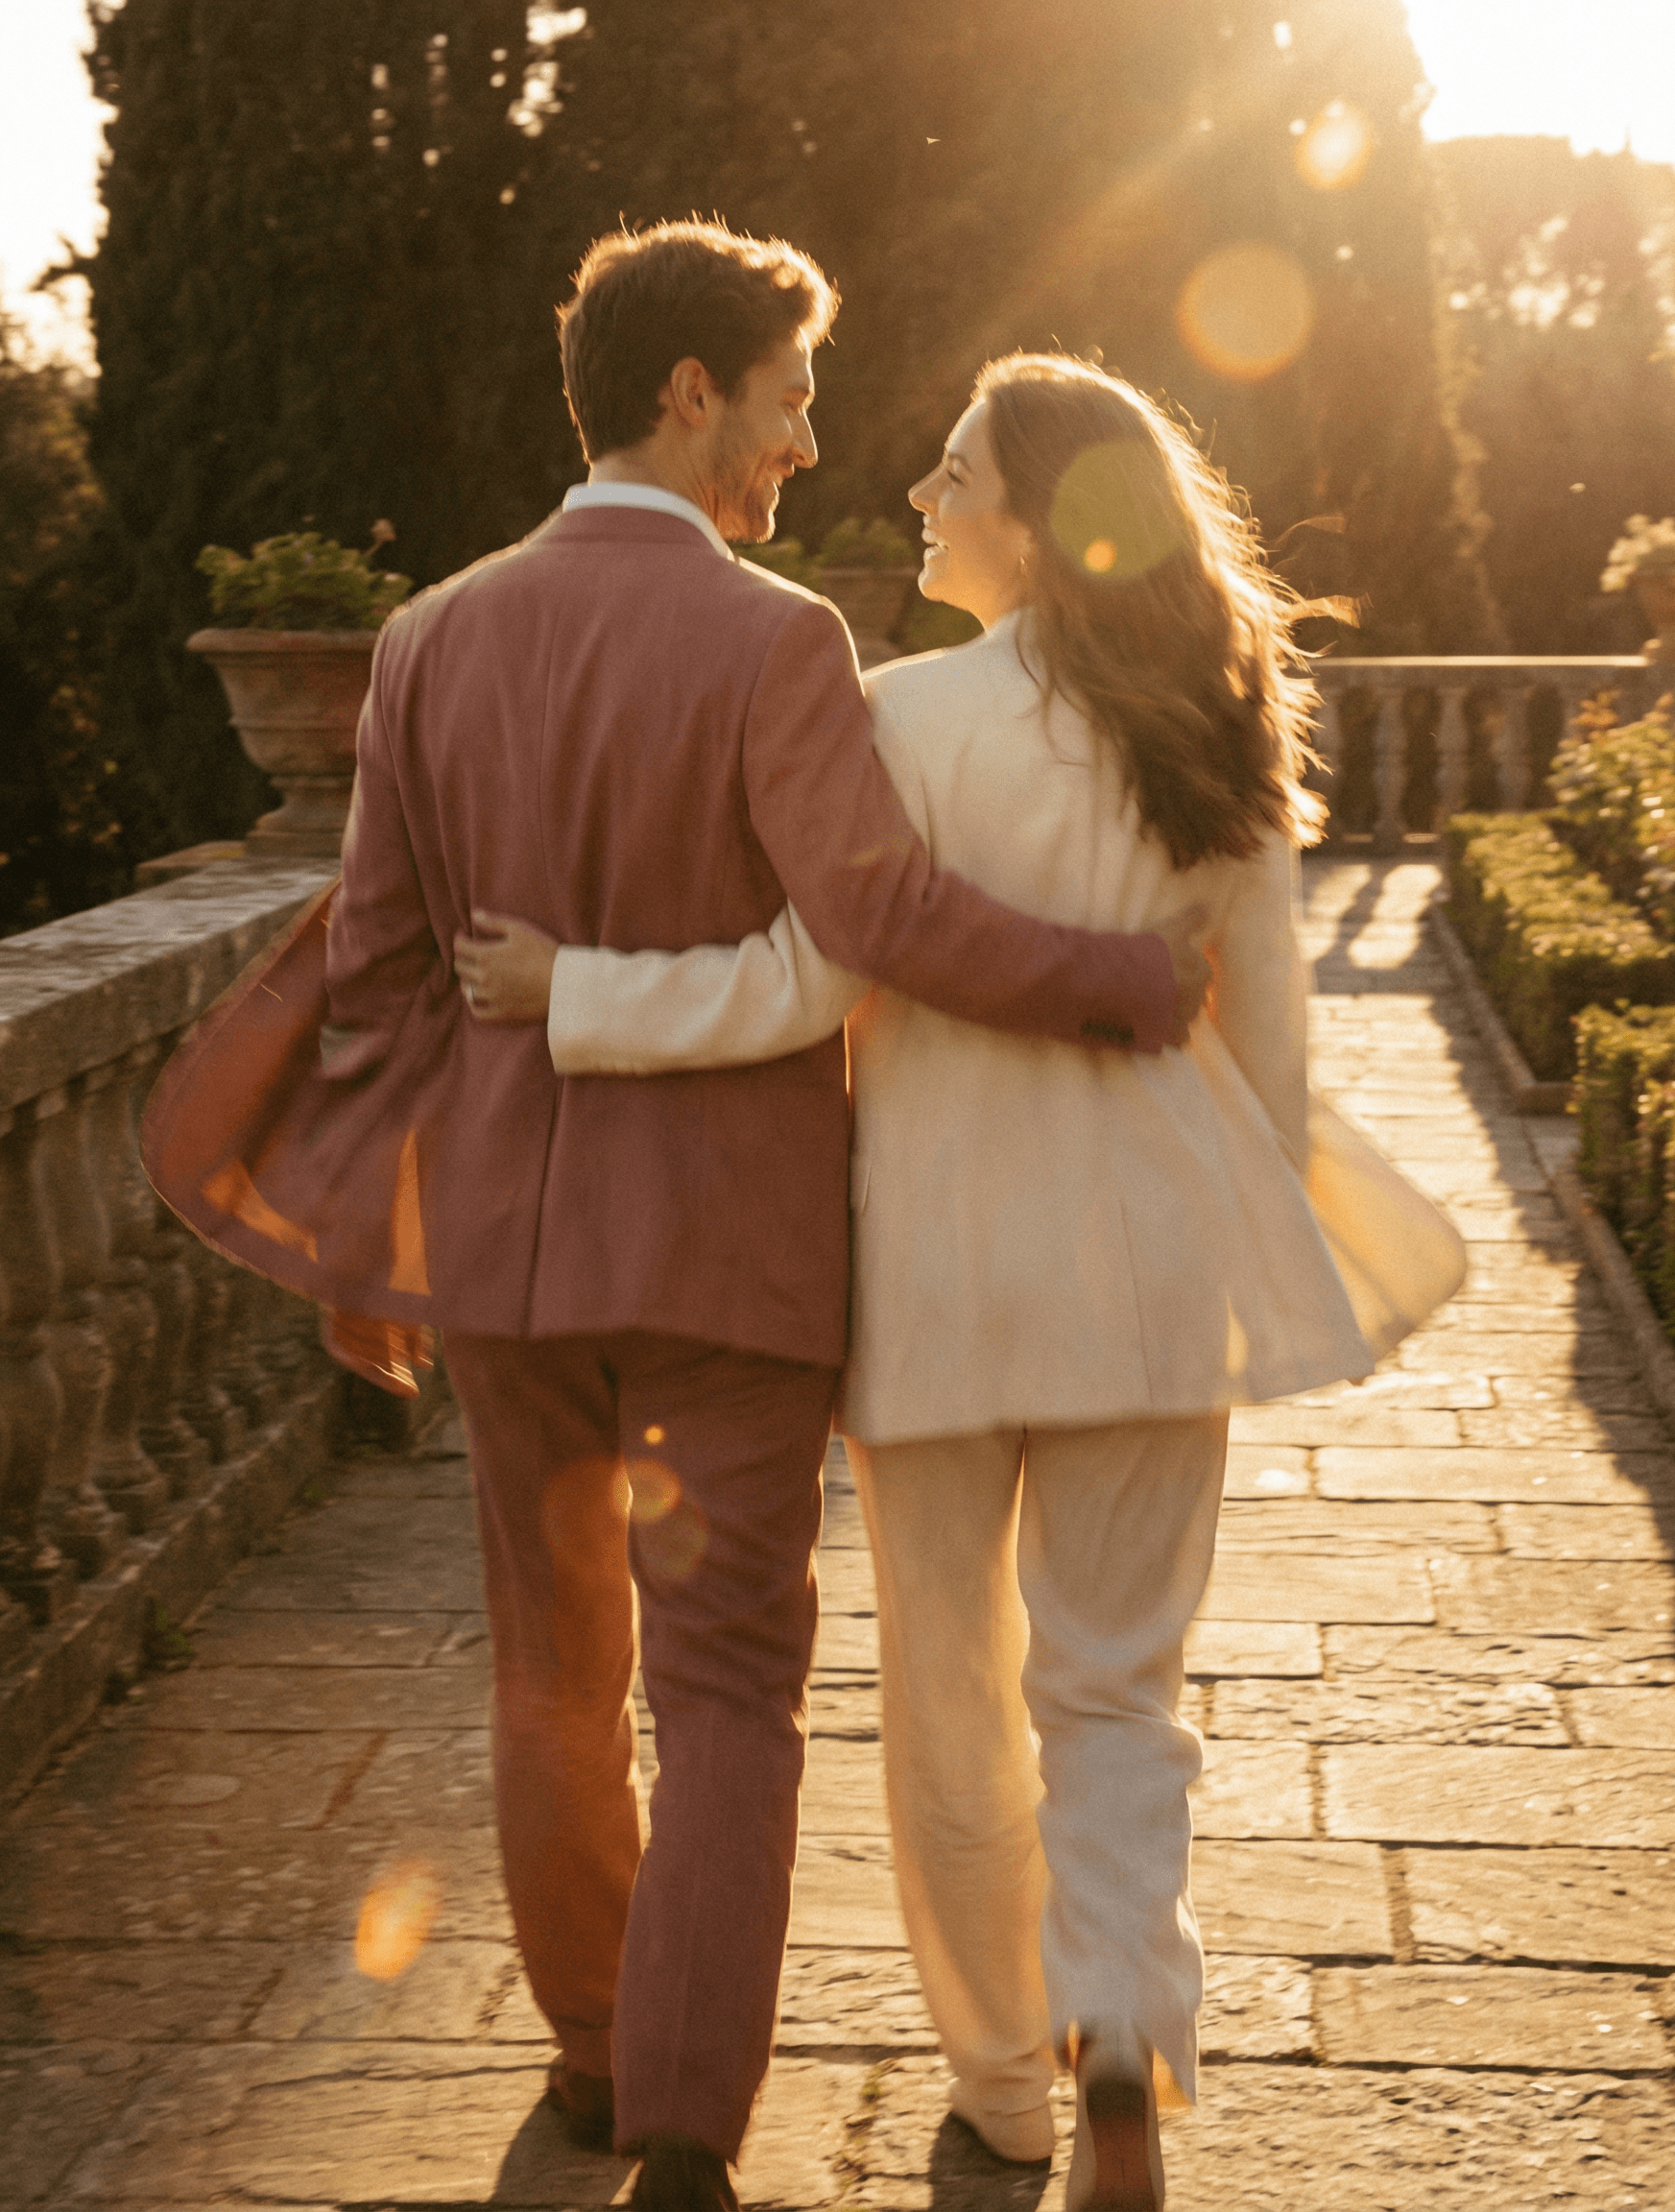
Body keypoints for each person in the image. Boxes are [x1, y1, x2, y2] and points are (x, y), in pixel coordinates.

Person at [142, 234, 1216, 2212]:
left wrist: (353, 1256)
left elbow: (372, 974)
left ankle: (590, 2049)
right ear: (692, 391)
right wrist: (1125, 982)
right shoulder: (776, 644)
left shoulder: (430, 640)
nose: (810, 442)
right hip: (732, 1261)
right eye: (792, 392)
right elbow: (875, 925)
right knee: (730, 1693)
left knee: (552, 1667)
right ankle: (688, 2129)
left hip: (503, 1259)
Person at [454, 353, 1465, 2212]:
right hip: (1151, 1262)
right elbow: (1276, 1063)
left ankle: (1004, 2091)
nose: (917, 493)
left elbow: (798, 979)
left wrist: (571, 993)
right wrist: (1237, 1258)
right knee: (1116, 1695)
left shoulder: (904, 719)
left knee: (948, 1696)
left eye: (950, 472)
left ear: (1040, 512)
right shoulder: (1222, 723)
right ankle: (1122, 2065)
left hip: (929, 1271)